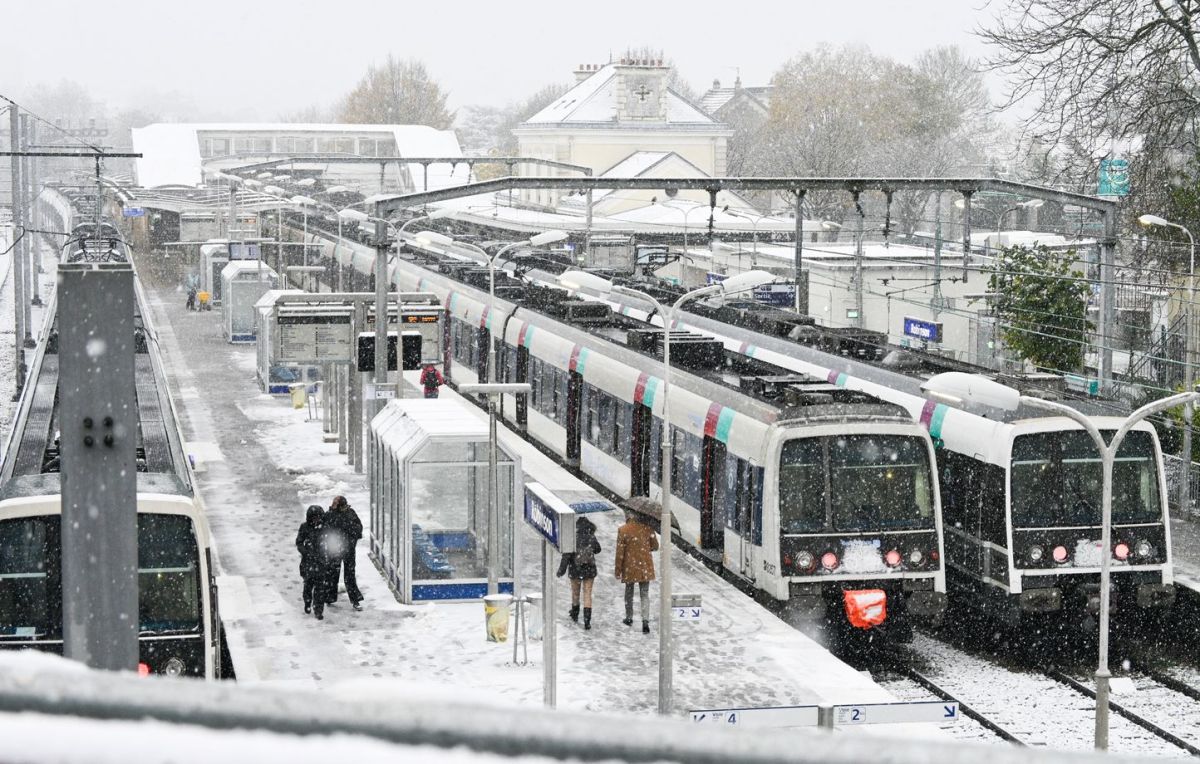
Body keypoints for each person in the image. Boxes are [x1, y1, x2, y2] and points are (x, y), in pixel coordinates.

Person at [614, 509, 659, 634]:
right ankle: (645, 621)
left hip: (630, 566)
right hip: (645, 566)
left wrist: (618, 569)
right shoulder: (648, 528)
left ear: (628, 516)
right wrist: (645, 545)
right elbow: (655, 546)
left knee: (629, 593)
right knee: (644, 594)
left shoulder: (623, 530)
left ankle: (629, 618)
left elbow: (620, 553)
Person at [556, 516, 601, 629]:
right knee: (587, 594)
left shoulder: (573, 537)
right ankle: (587, 621)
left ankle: (575, 614)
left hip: (575, 569)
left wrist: (561, 570)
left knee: (575, 593)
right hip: (589, 569)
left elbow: (566, 556)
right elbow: (598, 549)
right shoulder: (591, 536)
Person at [295, 505, 337, 620]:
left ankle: (318, 609)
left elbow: (331, 542)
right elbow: (299, 542)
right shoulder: (304, 527)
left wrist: (329, 554)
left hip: (321, 562)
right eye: (314, 518)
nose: (316, 520)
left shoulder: (325, 528)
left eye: (318, 517)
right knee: (308, 586)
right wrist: (306, 553)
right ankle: (307, 602)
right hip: (308, 563)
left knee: (320, 588)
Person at [326, 495, 364, 610]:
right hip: (343, 549)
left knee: (337, 574)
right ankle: (354, 599)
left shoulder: (333, 515)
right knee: (345, 574)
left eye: (335, 502)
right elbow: (358, 529)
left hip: (340, 549)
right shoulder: (348, 513)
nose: (332, 504)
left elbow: (358, 529)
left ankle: (330, 597)